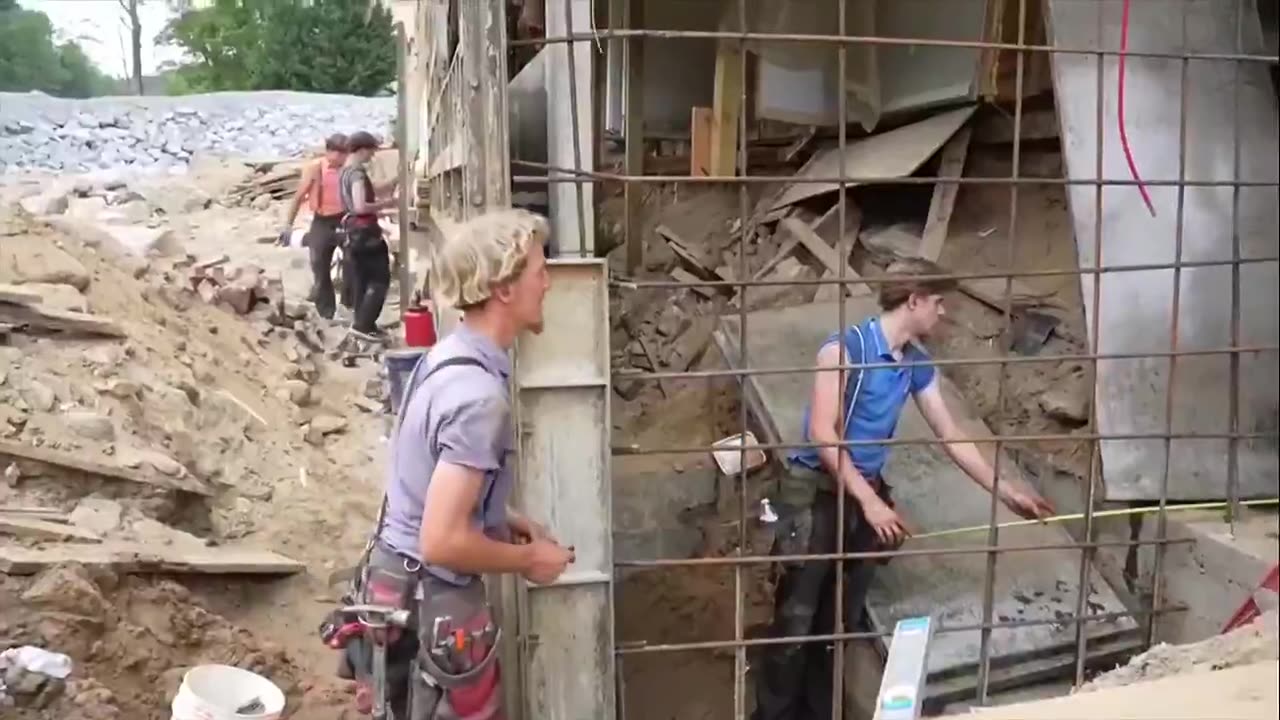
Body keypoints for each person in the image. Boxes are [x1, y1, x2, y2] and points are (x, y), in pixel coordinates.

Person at [752, 258, 1055, 720]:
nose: (943, 312)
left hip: (861, 495)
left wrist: (1008, 491)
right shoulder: (844, 351)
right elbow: (822, 434)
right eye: (938, 302)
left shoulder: (914, 363)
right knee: (796, 618)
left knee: (836, 624)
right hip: (814, 493)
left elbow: (952, 435)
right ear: (914, 300)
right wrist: (871, 503)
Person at [368, 208, 574, 719]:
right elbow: (442, 541)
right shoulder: (479, 398)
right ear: (503, 289)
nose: (548, 283)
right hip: (431, 600)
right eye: (539, 271)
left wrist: (502, 516)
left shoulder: (446, 357)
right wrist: (531, 560)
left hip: (395, 585)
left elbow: (425, 482)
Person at [279, 133, 349, 319]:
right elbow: (298, 197)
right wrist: (288, 225)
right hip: (322, 220)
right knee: (319, 265)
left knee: (353, 262)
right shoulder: (316, 169)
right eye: (337, 153)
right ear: (329, 152)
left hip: (344, 219)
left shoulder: (348, 169)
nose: (340, 158)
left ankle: (348, 306)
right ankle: (326, 312)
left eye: (344, 154)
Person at [338, 130, 399, 338]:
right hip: (365, 233)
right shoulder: (356, 173)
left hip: (353, 232)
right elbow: (361, 206)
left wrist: (392, 184)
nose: (372, 156)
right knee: (379, 278)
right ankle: (363, 326)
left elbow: (358, 202)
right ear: (362, 149)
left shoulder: (345, 172)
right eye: (371, 151)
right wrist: (387, 203)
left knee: (362, 280)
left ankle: (364, 323)